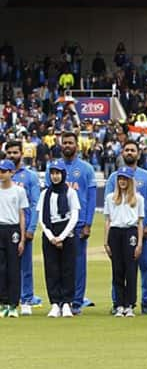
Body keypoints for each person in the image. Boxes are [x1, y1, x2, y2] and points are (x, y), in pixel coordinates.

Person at [105, 141, 147, 315]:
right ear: (122, 153)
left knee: (145, 267)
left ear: (138, 153)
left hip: (138, 230)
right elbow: (110, 205)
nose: (129, 152)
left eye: (132, 150)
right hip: (118, 231)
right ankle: (117, 302)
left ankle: (146, 301)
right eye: (126, 150)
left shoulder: (146, 176)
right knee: (118, 268)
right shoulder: (114, 177)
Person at [47, 132, 96, 315]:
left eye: (70, 142)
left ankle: (76, 301)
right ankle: (60, 301)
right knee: (56, 264)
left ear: (77, 145)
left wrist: (88, 223)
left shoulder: (86, 168)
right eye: (64, 143)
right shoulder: (53, 168)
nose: (67, 145)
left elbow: (91, 199)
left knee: (77, 264)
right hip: (57, 224)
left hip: (78, 224)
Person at [38, 160, 79, 318]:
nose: (55, 177)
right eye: (53, 173)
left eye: (58, 173)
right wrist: (51, 237)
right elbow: (42, 217)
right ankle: (55, 303)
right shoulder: (45, 194)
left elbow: (74, 215)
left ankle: (67, 302)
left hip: (66, 231)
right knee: (52, 269)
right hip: (50, 231)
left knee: (68, 269)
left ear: (63, 174)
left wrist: (62, 236)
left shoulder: (70, 192)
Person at [103, 167, 144, 319]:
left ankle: (130, 304)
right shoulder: (110, 198)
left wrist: (139, 243)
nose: (122, 182)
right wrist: (106, 242)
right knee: (117, 270)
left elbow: (140, 222)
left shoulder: (138, 199)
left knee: (131, 270)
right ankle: (119, 304)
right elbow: (108, 220)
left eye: (125, 179)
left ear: (130, 181)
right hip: (115, 233)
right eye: (120, 178)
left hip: (130, 232)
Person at [6, 142, 40, 314]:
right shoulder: (2, 173)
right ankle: (7, 299)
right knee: (4, 265)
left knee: (25, 265)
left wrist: (31, 228)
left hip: (23, 225)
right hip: (4, 226)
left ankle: (26, 299)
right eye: (9, 152)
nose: (12, 155)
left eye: (15, 152)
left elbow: (35, 204)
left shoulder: (30, 176)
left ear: (21, 153)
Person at [0, 160, 27, 318]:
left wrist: (22, 238)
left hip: (13, 230)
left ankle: (13, 304)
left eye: (4, 171)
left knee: (14, 268)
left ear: (12, 173)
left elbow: (21, 215)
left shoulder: (18, 191)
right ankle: (3, 303)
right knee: (1, 268)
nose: (1, 174)